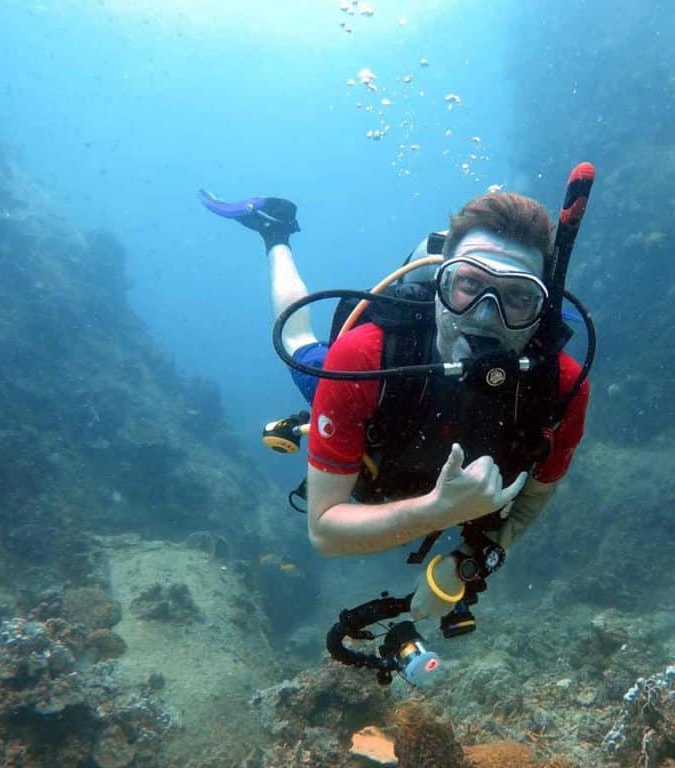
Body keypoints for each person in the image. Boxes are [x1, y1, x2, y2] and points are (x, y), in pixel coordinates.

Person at [202, 189, 589, 620]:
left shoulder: (561, 386)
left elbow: (534, 499)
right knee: (297, 340)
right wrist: (436, 512)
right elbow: (325, 531)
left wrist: (474, 559)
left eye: (516, 296)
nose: (484, 316)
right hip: (379, 401)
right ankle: (275, 234)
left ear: (541, 307)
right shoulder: (364, 362)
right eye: (469, 284)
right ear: (441, 281)